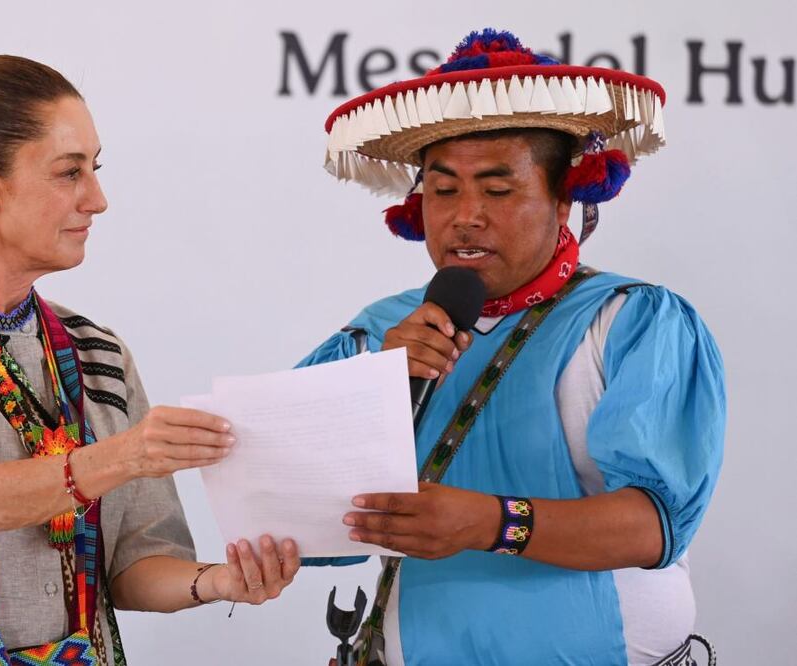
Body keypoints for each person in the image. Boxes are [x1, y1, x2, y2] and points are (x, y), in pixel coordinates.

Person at [0, 55, 299, 665]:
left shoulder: (97, 351)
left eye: (95, 168)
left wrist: (215, 581)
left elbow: (135, 564)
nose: (98, 199)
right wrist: (127, 454)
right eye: (69, 172)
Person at [302, 30, 724, 665]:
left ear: (564, 197)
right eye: (443, 191)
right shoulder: (377, 334)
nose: (465, 215)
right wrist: (373, 393)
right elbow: (305, 526)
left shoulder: (632, 319)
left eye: (498, 191)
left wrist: (489, 523)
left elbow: (653, 525)